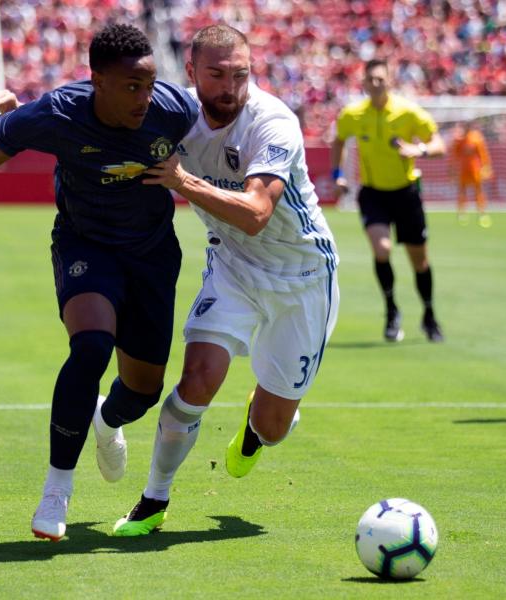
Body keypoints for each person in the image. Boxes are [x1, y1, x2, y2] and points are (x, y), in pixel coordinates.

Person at [0, 24, 201, 542]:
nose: (144, 98)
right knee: (91, 346)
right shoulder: (58, 113)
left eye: (148, 84)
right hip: (85, 246)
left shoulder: (176, 110)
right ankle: (57, 490)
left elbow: (230, 138)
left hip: (152, 256)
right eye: (130, 87)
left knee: (143, 392)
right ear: (96, 81)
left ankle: (106, 418)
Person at [115, 24, 339, 535]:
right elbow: (99, 101)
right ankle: (153, 502)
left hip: (302, 276)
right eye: (216, 74)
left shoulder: (273, 122)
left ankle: (256, 431)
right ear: (192, 72)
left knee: (273, 425)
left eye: (240, 74)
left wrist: (183, 181)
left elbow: (258, 212)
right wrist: (22, 110)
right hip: (233, 265)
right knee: (196, 381)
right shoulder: (174, 110)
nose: (230, 87)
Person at [330, 59, 446, 343]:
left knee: (419, 260)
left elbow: (439, 144)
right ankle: (392, 310)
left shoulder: (409, 113)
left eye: (381, 79)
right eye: (371, 79)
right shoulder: (353, 114)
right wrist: (338, 174)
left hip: (406, 193)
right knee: (381, 250)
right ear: (365, 82)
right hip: (373, 194)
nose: (376, 84)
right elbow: (339, 141)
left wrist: (417, 149)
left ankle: (429, 314)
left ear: (390, 81)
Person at [451, 119, 493, 228]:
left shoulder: (476, 138)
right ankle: (462, 214)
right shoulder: (459, 140)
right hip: (463, 171)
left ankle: (482, 214)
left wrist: (486, 167)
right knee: (462, 192)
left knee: (479, 192)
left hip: (475, 171)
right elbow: (454, 156)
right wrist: (452, 170)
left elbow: (483, 155)